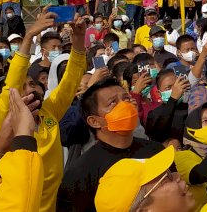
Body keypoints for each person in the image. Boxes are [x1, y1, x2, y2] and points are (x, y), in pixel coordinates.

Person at [0, 10, 87, 212]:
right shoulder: (3, 120)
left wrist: (78, 41)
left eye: (33, 83)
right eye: (23, 85)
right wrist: (28, 38)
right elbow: (11, 86)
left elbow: (70, 81)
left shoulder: (48, 112)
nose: (31, 88)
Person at [58, 77, 165, 211]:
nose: (125, 105)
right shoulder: (81, 173)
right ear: (94, 121)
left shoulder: (157, 151)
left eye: (126, 98)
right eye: (112, 102)